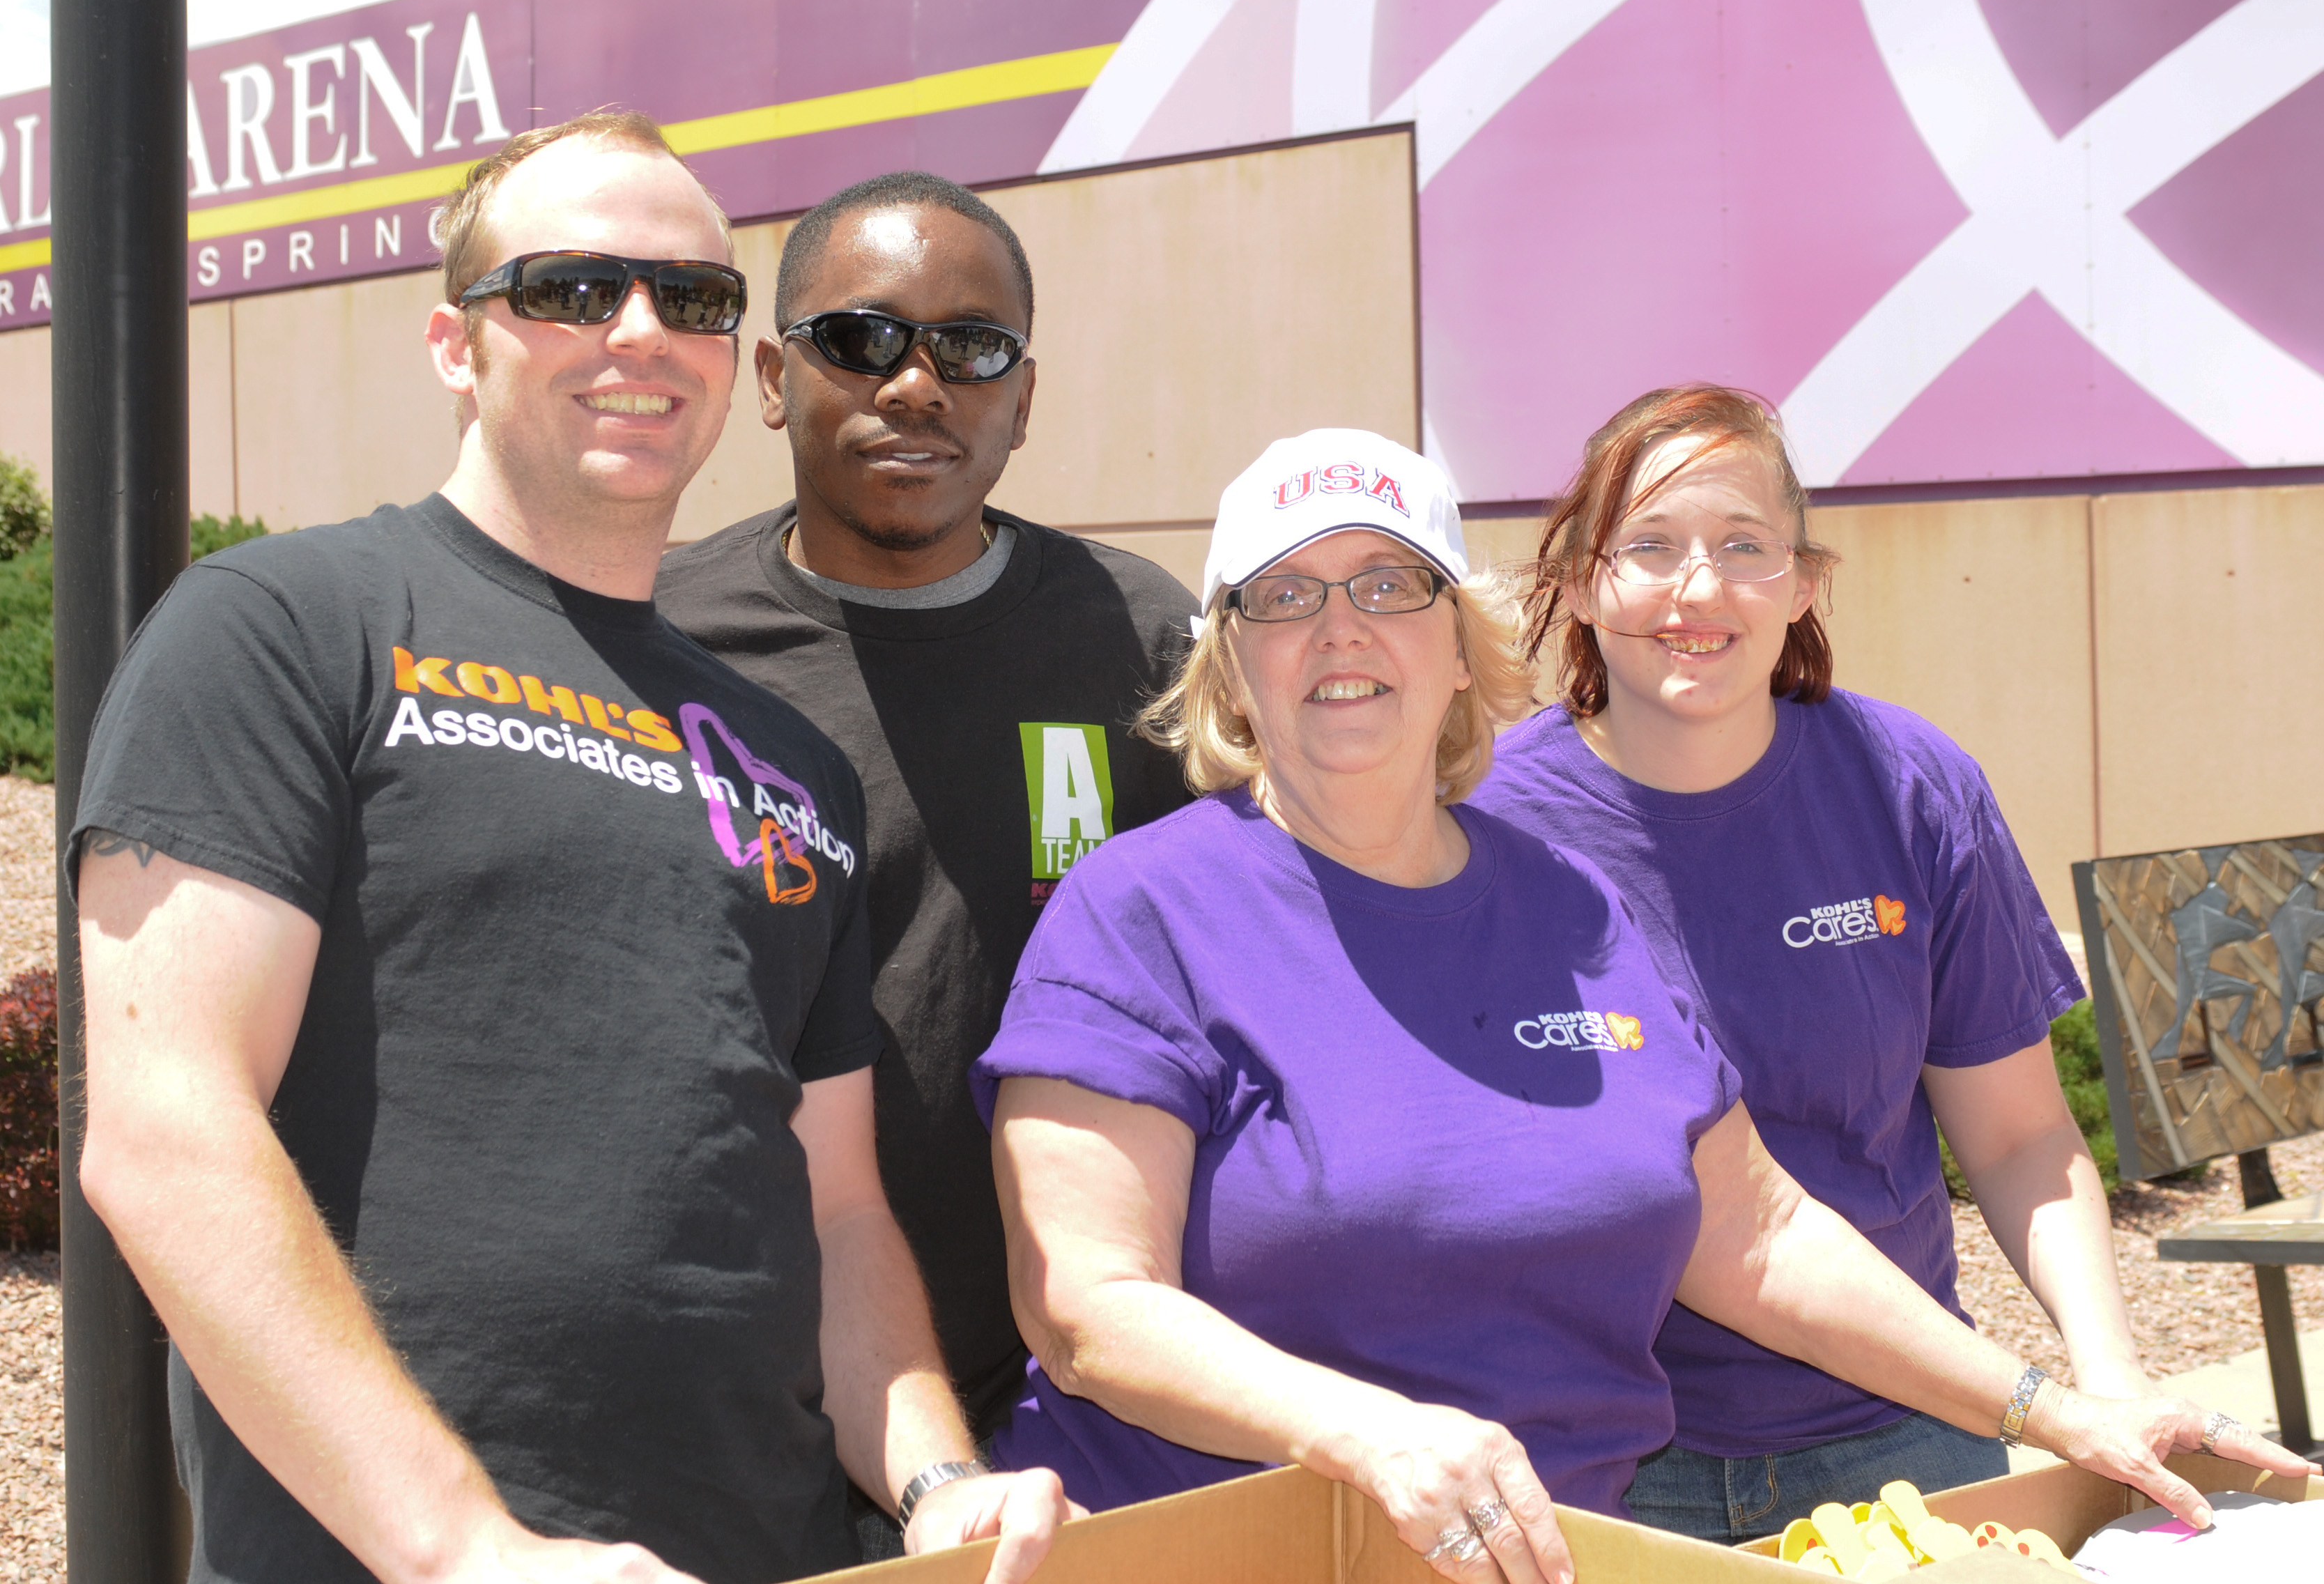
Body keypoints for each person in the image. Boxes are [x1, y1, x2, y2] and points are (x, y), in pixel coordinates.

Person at [969, 426, 2306, 1584]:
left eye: (1391, 583)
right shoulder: (1141, 910)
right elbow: (1086, 1304)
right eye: (1285, 594)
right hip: (1244, 1549)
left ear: (1459, 642)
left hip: (1569, 1550)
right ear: (1228, 660)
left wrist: (2057, 1404)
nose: (1341, 628)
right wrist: (1366, 1429)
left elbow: (1762, 1233)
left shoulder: (1569, 904)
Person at [75, 112, 1068, 1584]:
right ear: (453, 343)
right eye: (569, 289)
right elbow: (167, 1135)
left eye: (694, 297)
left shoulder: (788, 765)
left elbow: (837, 1205)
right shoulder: (285, 628)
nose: (641, 331)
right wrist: (468, 1548)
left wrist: (934, 1483)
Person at [1468, 384, 2150, 1542]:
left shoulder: (1912, 786)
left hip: (1913, 1427)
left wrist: (2113, 1381)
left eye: (1745, 546)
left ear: (1803, 581)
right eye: (1650, 545)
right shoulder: (1481, 829)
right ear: (1581, 582)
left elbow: (2022, 1136)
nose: (1699, 589)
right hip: (1605, 1461)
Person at [656, 173, 1196, 1468]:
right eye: (862, 339)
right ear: (777, 379)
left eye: (972, 346)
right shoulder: (660, 647)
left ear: (1023, 395)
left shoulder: (1138, 639)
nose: (916, 384)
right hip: (738, 1394)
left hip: (1063, 1391)